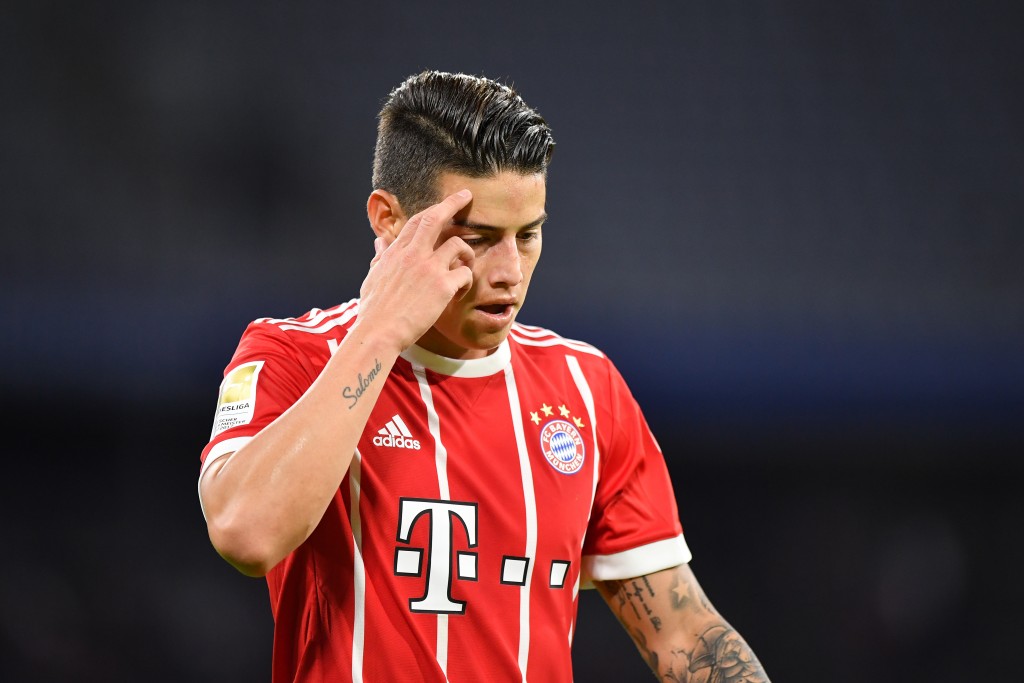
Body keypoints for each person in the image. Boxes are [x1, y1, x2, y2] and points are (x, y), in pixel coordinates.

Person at [198, 70, 770, 683]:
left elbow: (686, 635)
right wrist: (382, 331)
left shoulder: (585, 389)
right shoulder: (293, 357)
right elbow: (246, 534)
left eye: (528, 235)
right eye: (478, 238)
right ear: (388, 219)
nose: (508, 271)